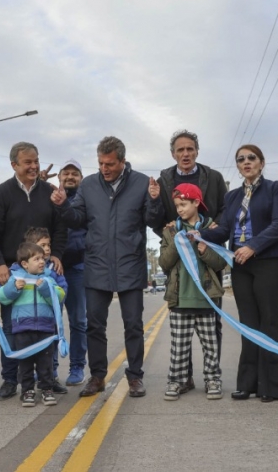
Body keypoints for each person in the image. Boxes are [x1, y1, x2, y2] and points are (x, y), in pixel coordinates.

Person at [51, 135, 163, 398]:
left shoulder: (141, 183)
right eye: (101, 163)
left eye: (110, 164)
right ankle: (97, 376)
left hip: (130, 265)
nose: (105, 168)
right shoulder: (88, 185)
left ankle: (135, 377)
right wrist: (63, 205)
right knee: (94, 325)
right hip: (97, 266)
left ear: (122, 161)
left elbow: (151, 219)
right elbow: (77, 220)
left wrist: (155, 200)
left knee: (133, 325)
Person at [200, 144, 278, 402]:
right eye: (241, 159)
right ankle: (247, 383)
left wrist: (253, 246)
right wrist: (197, 233)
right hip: (241, 264)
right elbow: (224, 230)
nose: (246, 162)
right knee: (248, 323)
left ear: (261, 162)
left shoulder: (275, 188)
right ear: (238, 166)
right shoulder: (232, 196)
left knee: (269, 322)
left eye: (251, 158)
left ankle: (271, 387)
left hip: (269, 261)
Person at [0, 142, 68, 401]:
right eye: (27, 162)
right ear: (14, 165)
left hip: (44, 273)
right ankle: (11, 380)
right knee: (12, 330)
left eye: (36, 161)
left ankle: (48, 379)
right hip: (13, 274)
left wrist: (56, 255)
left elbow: (61, 228)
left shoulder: (49, 193)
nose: (34, 166)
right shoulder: (1, 194)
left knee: (47, 328)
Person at [154, 129, 227, 394]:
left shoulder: (210, 229)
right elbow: (164, 262)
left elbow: (220, 263)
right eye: (177, 205)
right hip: (180, 299)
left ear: (197, 202)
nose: (180, 209)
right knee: (179, 344)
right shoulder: (171, 230)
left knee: (210, 344)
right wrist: (177, 238)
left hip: (206, 298)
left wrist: (202, 244)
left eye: (184, 204)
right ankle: (178, 379)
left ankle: (212, 379)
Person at [0, 241, 67, 407]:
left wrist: (46, 289)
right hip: (23, 329)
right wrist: (13, 288)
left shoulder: (48, 278)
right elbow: (2, 297)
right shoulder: (15, 279)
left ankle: (47, 389)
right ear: (25, 264)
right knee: (25, 363)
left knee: (45, 362)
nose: (42, 261)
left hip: (45, 329)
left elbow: (59, 296)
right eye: (37, 259)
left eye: (42, 258)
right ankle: (27, 391)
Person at [53, 159, 88, 386]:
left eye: (75, 173)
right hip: (51, 270)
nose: (70, 177)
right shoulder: (49, 197)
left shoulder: (86, 200)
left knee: (77, 321)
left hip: (77, 269)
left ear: (81, 178)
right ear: (59, 177)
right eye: (66, 173)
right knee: (50, 322)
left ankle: (77, 367)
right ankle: (49, 369)